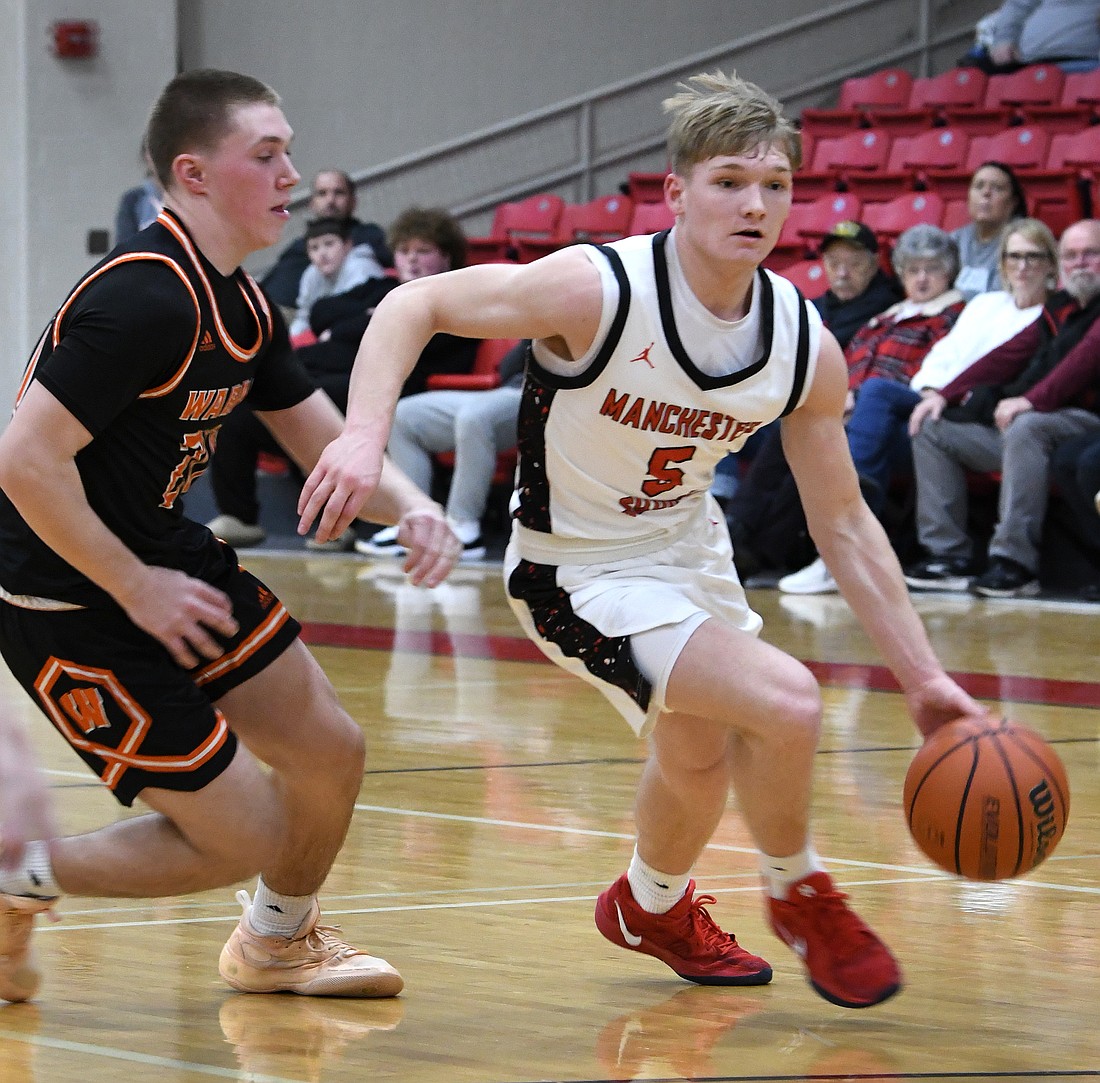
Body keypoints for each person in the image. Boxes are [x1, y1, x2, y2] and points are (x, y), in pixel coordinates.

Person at [299, 69, 987, 1010]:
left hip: (686, 552)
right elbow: (409, 308)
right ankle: (802, 892)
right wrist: (364, 433)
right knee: (787, 701)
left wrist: (925, 678)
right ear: (677, 192)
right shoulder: (597, 287)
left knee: (698, 752)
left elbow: (845, 522)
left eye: (775, 185)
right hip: (571, 568)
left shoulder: (800, 340)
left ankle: (650, 905)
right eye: (730, 182)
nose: (755, 205)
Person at [0, 68, 460, 1006]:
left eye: (289, 150)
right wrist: (134, 587)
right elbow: (22, 463)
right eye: (267, 154)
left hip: (159, 558)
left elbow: (324, 440)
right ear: (195, 173)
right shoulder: (143, 296)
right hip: (65, 592)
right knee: (242, 831)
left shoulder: (244, 304)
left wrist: (413, 504)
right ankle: (14, 873)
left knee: (329, 750)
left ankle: (276, 943)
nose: (292, 172)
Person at [782, 219, 1058, 594]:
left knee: (876, 393)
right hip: (934, 398)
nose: (1022, 266)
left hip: (971, 406)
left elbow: (1001, 364)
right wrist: (930, 390)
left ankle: (852, 514)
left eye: (1032, 257)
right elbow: (949, 354)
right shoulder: (985, 305)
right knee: (794, 420)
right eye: (1013, 257)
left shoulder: (1040, 313)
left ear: (1050, 264)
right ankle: (746, 537)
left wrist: (937, 393)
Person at [205, 206, 478, 550]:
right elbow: (321, 312)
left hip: (390, 394)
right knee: (244, 400)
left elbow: (397, 344)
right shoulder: (382, 286)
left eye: (423, 251)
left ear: (446, 256)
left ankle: (335, 522)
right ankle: (238, 516)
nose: (412, 260)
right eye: (404, 251)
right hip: (331, 374)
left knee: (313, 402)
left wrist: (355, 325)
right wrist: (365, 319)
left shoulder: (453, 301)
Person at [904, 218, 1100, 598]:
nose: (1080, 263)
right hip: (1043, 425)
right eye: (1072, 255)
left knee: (1027, 426)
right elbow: (1009, 353)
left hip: (1086, 424)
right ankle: (948, 556)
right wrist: (944, 394)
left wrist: (1030, 401)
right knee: (932, 428)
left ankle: (1015, 562)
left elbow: (1085, 362)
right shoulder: (1060, 307)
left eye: (1090, 254)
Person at [723, 220, 903, 577]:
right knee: (720, 417)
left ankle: (747, 539)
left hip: (842, 412)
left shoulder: (885, 312)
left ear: (873, 265)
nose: (842, 272)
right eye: (834, 262)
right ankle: (721, 514)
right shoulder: (811, 307)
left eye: (853, 263)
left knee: (799, 434)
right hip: (786, 404)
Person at [358, 341, 526, 560]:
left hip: (545, 394)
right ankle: (413, 522)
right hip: (506, 390)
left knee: (475, 417)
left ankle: (464, 528)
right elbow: (508, 366)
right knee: (404, 416)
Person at [259, 169, 391, 310]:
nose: (330, 200)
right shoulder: (297, 247)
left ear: (353, 201)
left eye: (339, 193)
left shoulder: (369, 236)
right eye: (322, 193)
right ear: (312, 203)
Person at [288, 216, 382, 339]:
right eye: (314, 248)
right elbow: (303, 317)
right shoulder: (311, 274)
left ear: (348, 244)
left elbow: (364, 312)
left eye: (329, 244)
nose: (322, 253)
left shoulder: (361, 267)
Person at [951, 162, 1028, 301]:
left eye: (997, 188)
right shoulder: (955, 239)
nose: (986, 193)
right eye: (979, 186)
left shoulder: (1023, 241)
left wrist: (956, 297)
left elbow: (1006, 297)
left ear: (1013, 203)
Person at [963, 0, 1100, 73]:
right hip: (1024, 61)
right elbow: (1017, 7)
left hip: (1083, 62)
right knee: (969, 78)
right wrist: (1005, 39)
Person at [114, 143, 164, 246]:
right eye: (154, 152)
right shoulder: (133, 200)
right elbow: (125, 245)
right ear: (146, 156)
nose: (161, 157)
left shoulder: (186, 198)